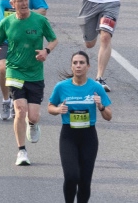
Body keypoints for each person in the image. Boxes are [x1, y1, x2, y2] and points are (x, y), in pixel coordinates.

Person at [0, 0, 58, 166]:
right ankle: (21, 151)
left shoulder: (40, 20)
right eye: (19, 0)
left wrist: (46, 51)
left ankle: (33, 124)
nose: (24, 3)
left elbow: (54, 39)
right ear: (12, 4)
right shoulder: (7, 22)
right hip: (14, 69)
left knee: (33, 116)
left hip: (35, 72)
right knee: (20, 109)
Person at [48, 51, 112, 203]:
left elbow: (109, 116)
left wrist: (101, 106)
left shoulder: (96, 87)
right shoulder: (61, 87)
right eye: (75, 63)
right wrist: (58, 110)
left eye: (82, 63)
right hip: (68, 136)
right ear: (71, 66)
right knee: (71, 176)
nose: (78, 66)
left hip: (89, 137)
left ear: (88, 66)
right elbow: (50, 107)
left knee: (84, 180)